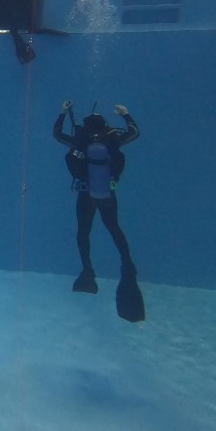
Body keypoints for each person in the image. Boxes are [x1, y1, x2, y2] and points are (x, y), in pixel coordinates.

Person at [53, 101, 145, 322]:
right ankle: (127, 264)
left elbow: (57, 134)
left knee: (83, 233)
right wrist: (126, 114)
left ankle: (88, 271)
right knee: (114, 229)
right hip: (107, 195)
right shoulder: (112, 140)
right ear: (104, 125)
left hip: (86, 195)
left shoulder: (81, 141)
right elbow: (135, 133)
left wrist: (63, 112)